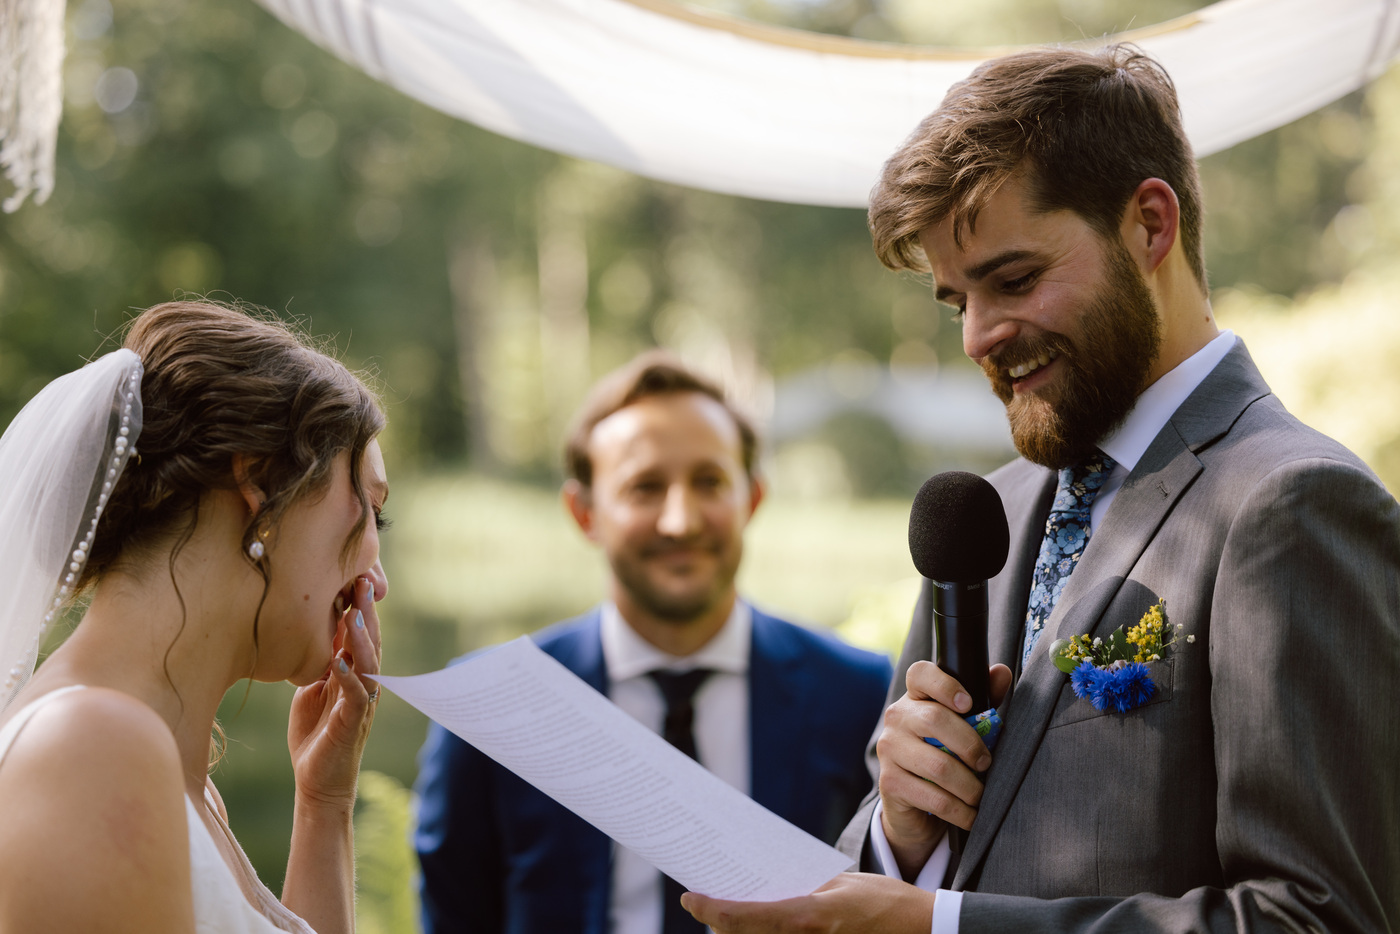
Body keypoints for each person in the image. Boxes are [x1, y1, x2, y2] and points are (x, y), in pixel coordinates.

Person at [682, 44, 1400, 933]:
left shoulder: (1294, 505)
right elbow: (933, 878)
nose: (979, 336)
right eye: (956, 302)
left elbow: (1319, 919)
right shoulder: (989, 512)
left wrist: (937, 926)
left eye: (1014, 280)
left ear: (1149, 225)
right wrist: (902, 835)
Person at [413, 350, 893, 934]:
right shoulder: (492, 706)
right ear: (583, 512)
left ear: (753, 498)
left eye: (709, 482)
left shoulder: (860, 692)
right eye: (645, 487)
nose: (680, 521)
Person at [0, 300, 391, 933]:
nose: (378, 579)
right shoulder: (91, 748)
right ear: (260, 483)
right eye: (370, 508)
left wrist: (326, 805)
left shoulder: (186, 789)